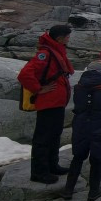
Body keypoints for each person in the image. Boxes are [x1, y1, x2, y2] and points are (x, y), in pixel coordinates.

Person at [18, 24, 75, 183]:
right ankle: (39, 172)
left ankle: (52, 165)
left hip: (56, 102)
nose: (69, 39)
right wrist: (38, 89)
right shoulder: (45, 54)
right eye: (67, 36)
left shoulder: (55, 50)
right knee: (43, 138)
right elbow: (25, 74)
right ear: (59, 38)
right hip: (48, 102)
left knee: (54, 135)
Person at [59, 62, 101, 201]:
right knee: (97, 158)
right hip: (100, 125)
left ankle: (68, 190)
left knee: (78, 157)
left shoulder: (79, 87)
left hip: (81, 125)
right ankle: (93, 191)